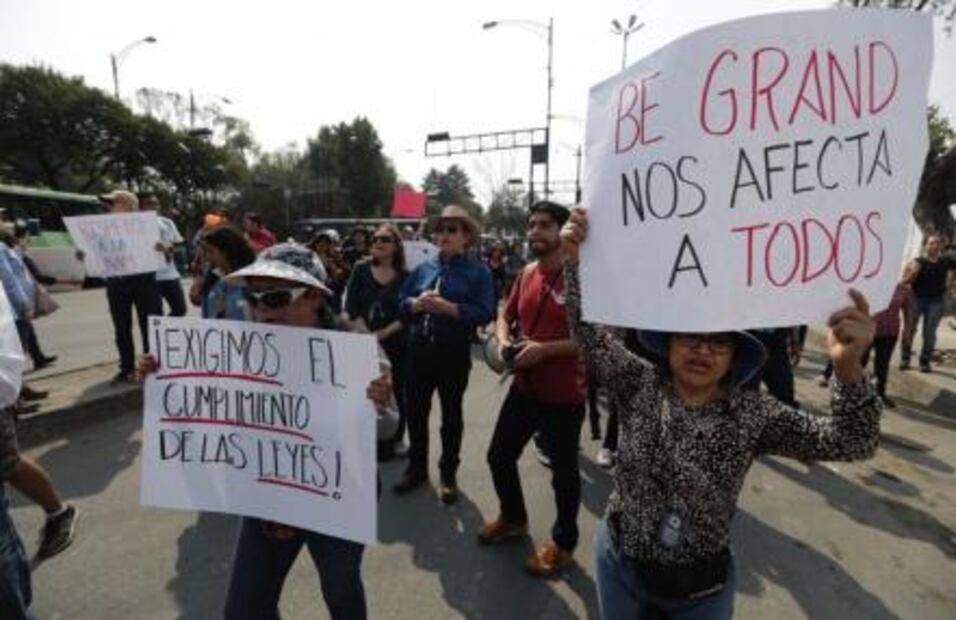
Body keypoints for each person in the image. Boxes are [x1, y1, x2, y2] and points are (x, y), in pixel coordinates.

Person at [561, 208, 882, 619]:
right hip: (620, 567)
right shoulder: (638, 382)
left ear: (734, 357)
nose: (702, 351)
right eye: (690, 337)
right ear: (669, 343)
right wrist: (575, 262)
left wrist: (848, 367)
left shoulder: (754, 413)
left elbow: (853, 442)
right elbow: (587, 334)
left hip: (701, 591)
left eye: (719, 343)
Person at [138, 242, 396, 619]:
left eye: (274, 297)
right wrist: (163, 381)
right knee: (245, 608)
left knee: (340, 591)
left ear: (314, 297)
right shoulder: (237, 352)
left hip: (340, 492)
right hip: (271, 492)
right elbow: (203, 415)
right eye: (253, 297)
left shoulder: (356, 350)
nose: (262, 308)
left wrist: (379, 403)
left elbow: (388, 430)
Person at [477, 202, 588, 577]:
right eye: (531, 224)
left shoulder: (583, 279)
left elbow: (596, 340)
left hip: (563, 395)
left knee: (564, 475)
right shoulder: (526, 273)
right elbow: (504, 315)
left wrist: (545, 350)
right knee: (499, 456)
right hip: (524, 387)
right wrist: (503, 342)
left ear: (563, 231)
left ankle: (564, 544)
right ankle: (513, 519)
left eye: (545, 224)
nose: (535, 231)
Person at [393, 205, 496, 504]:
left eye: (452, 230)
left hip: (453, 352)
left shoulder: (479, 272)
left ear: (466, 237)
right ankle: (417, 468)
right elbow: (402, 300)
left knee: (451, 414)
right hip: (419, 349)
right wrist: (415, 304)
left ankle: (448, 473)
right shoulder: (424, 268)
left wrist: (450, 309)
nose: (444, 235)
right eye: (440, 229)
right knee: (415, 412)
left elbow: (486, 311)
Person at [344, 224, 410, 460]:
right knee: (364, 390)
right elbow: (351, 305)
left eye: (385, 239)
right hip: (363, 341)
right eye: (375, 239)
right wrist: (366, 335)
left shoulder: (406, 277)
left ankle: (395, 438)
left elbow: (407, 313)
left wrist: (383, 334)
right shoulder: (360, 269)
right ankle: (365, 436)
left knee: (396, 390)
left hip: (395, 344)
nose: (378, 242)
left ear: (396, 246)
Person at [98, 189, 162, 383]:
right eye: (108, 204)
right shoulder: (102, 228)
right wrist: (84, 254)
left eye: (113, 203)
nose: (108, 207)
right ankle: (126, 368)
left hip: (144, 280)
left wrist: (163, 248)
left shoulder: (147, 224)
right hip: (116, 282)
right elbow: (97, 252)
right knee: (121, 327)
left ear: (128, 205)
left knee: (149, 325)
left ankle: (151, 366)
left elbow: (166, 247)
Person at [819, 279, 915, 408]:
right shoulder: (869, 284)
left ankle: (880, 394)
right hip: (865, 333)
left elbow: (908, 312)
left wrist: (907, 332)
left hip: (889, 333)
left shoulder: (903, 289)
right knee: (858, 362)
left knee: (882, 364)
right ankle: (847, 395)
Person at [901, 233, 956, 372]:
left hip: (936, 302)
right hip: (916, 300)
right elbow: (904, 281)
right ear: (926, 245)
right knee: (909, 330)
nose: (935, 246)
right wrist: (912, 273)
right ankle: (905, 358)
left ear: (941, 246)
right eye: (932, 243)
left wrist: (951, 282)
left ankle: (924, 361)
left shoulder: (945, 261)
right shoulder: (918, 261)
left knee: (929, 334)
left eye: (937, 243)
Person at [139, 192, 187, 317]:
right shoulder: (133, 225)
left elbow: (177, 244)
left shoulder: (167, 222)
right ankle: (159, 328)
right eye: (150, 204)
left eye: (156, 204)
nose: (155, 207)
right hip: (148, 278)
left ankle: (165, 327)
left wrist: (169, 248)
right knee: (155, 314)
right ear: (140, 206)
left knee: (180, 309)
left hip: (169, 274)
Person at [200, 226, 256, 321]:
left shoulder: (254, 281)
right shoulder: (212, 280)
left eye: (211, 251)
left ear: (226, 252)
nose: (207, 257)